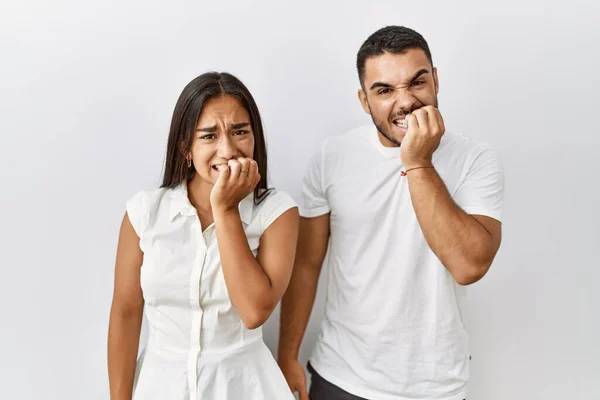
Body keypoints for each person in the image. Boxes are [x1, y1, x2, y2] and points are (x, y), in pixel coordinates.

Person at [278, 25, 504, 400]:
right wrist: (288, 355)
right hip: (341, 376)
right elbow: (306, 263)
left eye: (417, 83)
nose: (405, 102)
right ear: (364, 101)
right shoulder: (332, 156)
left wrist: (417, 162)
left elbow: (470, 266)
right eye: (384, 90)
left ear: (436, 81)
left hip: (435, 387)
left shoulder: (474, 160)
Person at [107, 72, 299, 400]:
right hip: (159, 387)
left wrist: (225, 211)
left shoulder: (277, 211)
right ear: (186, 147)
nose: (228, 150)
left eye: (240, 132)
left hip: (246, 387)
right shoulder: (145, 212)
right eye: (209, 136)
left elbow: (254, 312)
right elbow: (126, 312)